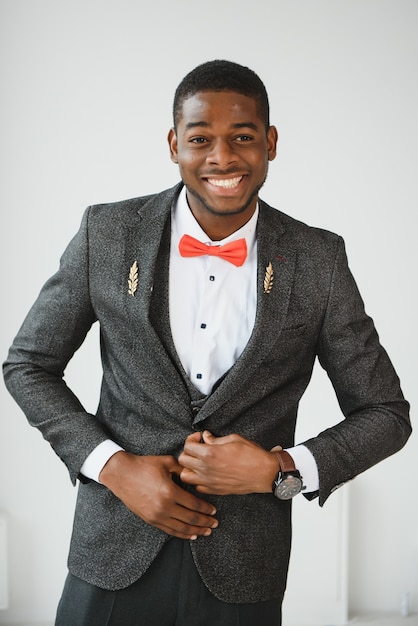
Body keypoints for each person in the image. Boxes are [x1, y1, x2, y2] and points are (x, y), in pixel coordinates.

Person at [3, 59, 411, 626]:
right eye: (201, 139)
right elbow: (28, 364)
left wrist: (279, 469)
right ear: (174, 144)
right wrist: (114, 467)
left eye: (242, 137)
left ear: (270, 142)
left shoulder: (319, 260)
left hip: (244, 569)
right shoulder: (106, 232)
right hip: (112, 551)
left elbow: (386, 413)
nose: (222, 158)